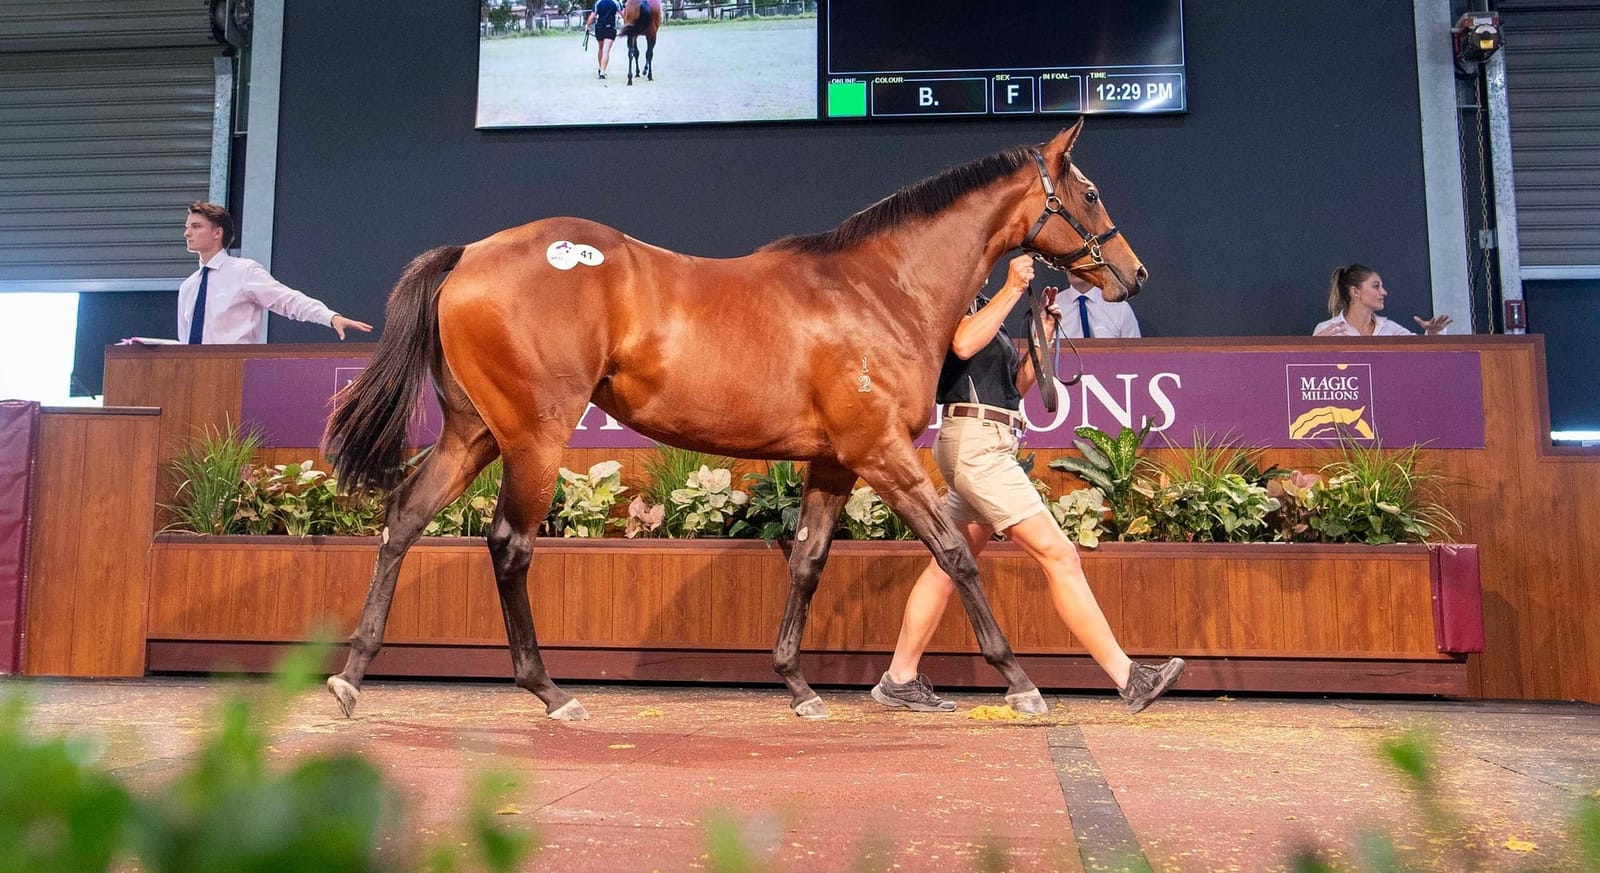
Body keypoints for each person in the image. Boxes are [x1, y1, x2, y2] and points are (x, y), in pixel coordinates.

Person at [872, 254, 1186, 715]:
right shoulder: (950, 304)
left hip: (988, 441)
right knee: (1059, 554)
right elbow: (960, 345)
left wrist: (1044, 329)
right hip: (976, 446)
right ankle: (1127, 676)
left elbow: (1016, 386)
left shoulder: (982, 307)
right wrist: (1014, 289)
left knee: (947, 564)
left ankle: (899, 678)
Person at [179, 202, 372, 344]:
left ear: (217, 233)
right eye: (187, 227)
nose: (187, 233)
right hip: (195, 376)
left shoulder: (243, 271)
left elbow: (287, 300)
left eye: (196, 226)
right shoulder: (189, 286)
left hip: (234, 371)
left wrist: (330, 317)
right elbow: (184, 340)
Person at [1314, 264, 1452, 337]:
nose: (1383, 292)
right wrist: (1314, 350)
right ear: (1355, 291)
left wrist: (1433, 332)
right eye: (1376, 286)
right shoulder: (1327, 330)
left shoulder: (1390, 329)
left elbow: (1421, 355)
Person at [1052, 271, 1141, 339]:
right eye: (1069, 263)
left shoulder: (1120, 309)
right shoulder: (1051, 307)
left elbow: (1135, 355)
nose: (1074, 268)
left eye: (1079, 262)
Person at [586, 0, 620, 80]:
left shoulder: (598, 2)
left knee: (601, 49)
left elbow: (592, 16)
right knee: (606, 50)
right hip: (610, 28)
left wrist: (587, 26)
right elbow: (624, 14)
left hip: (599, 28)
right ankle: (602, 72)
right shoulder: (616, 3)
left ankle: (600, 67)